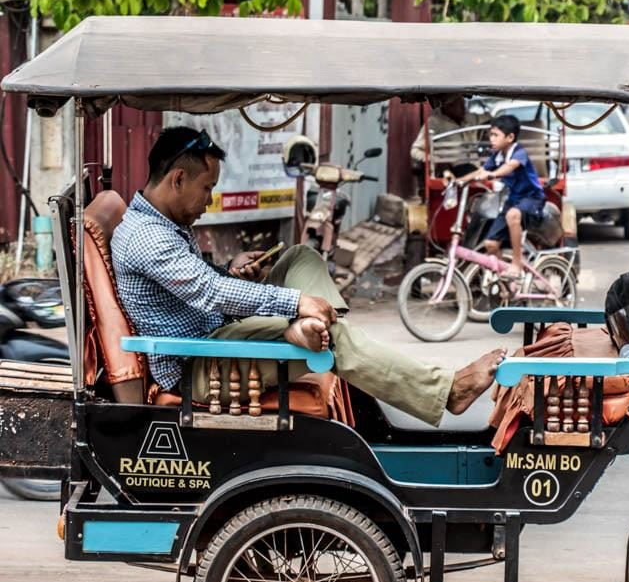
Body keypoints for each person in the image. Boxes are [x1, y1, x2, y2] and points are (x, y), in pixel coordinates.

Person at [110, 126, 504, 425]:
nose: (209, 200)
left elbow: (200, 281)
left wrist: (232, 270)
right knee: (336, 338)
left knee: (301, 256)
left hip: (220, 335)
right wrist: (295, 302)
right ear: (177, 179)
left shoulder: (163, 225)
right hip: (204, 363)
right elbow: (209, 293)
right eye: (207, 188)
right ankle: (446, 390)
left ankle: (308, 328)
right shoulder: (147, 237)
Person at [458, 114, 545, 278]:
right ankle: (504, 280)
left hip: (532, 198)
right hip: (513, 199)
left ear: (510, 137)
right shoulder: (497, 155)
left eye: (495, 135)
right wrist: (459, 181)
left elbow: (510, 167)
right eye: (491, 134)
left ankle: (517, 264)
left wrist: (492, 175)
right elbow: (481, 170)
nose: (491, 139)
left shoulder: (519, 153)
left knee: (513, 215)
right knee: (490, 244)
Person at [409, 95, 484, 179]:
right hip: (451, 169)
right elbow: (415, 151)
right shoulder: (433, 123)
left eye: (462, 103)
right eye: (457, 104)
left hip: (478, 168)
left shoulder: (471, 118)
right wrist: (436, 160)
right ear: (447, 106)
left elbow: (493, 122)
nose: (462, 107)